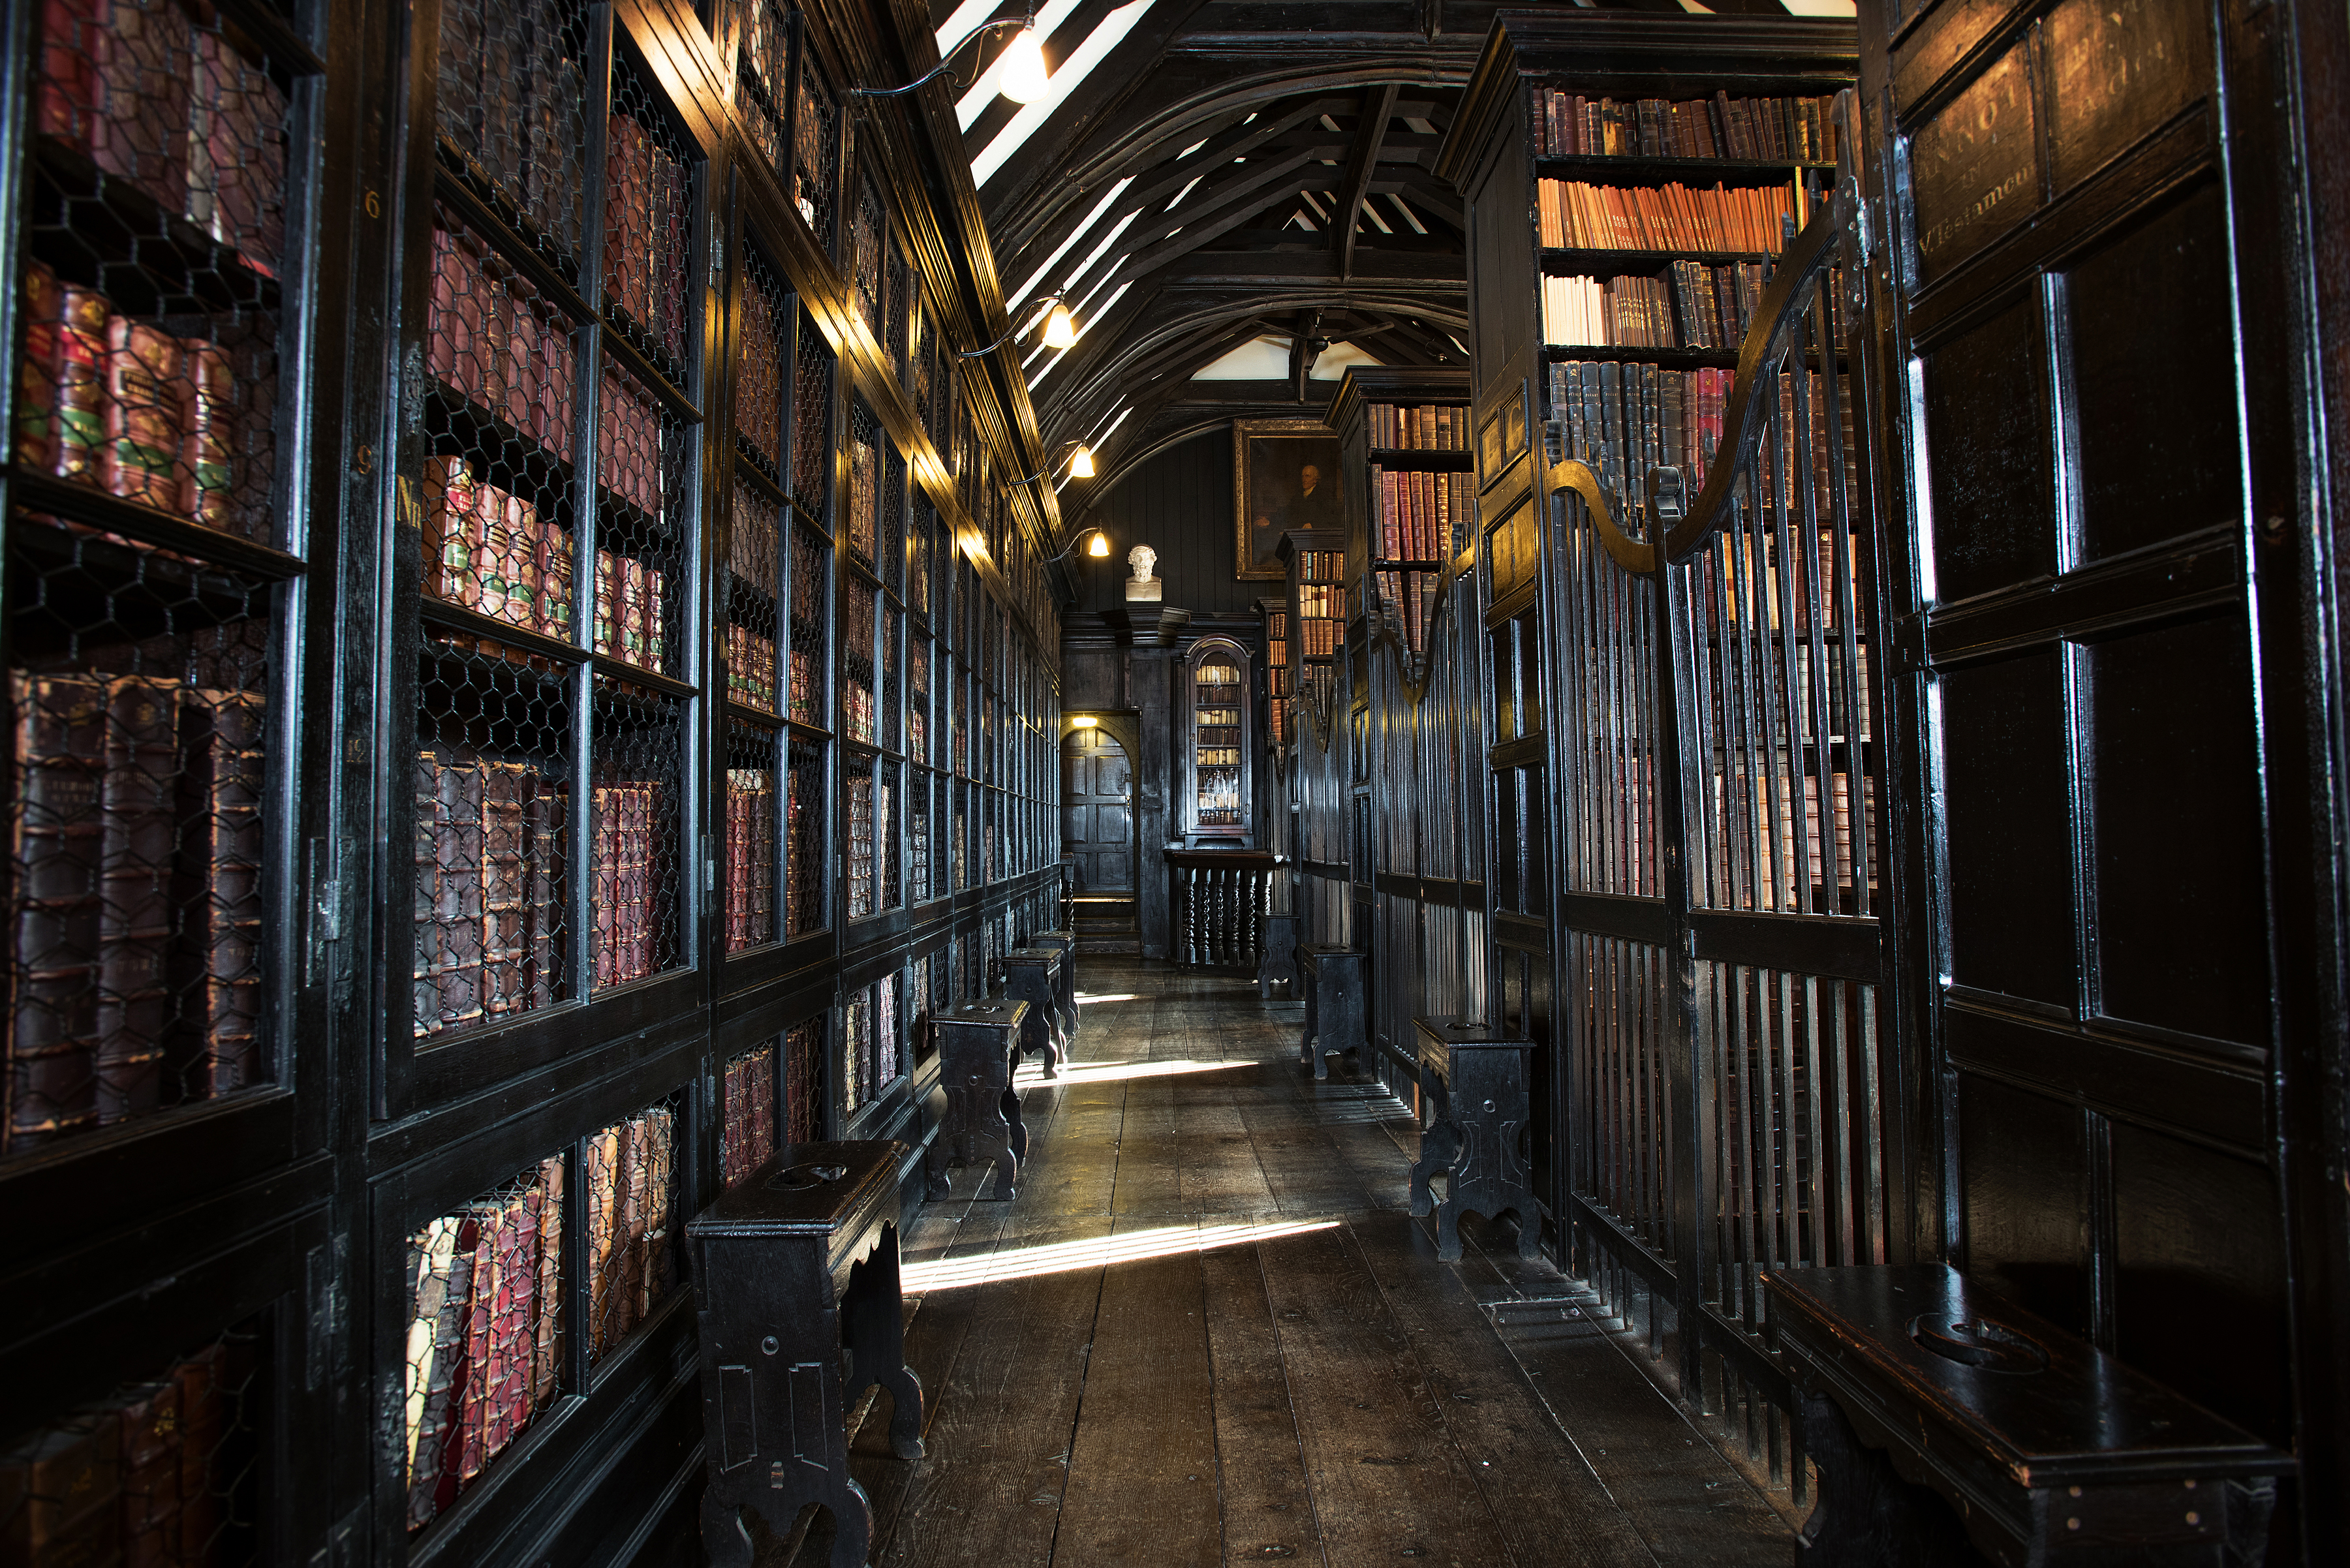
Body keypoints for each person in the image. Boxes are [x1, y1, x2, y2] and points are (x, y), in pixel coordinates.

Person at [1251, 455, 1340, 565]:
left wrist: (1313, 524)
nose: (1304, 479)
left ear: (1315, 479)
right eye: (1303, 476)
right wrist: (1270, 521)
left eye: (1307, 476)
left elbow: (1331, 516)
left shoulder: (1323, 496)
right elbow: (1287, 512)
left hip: (1315, 539)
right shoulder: (1299, 496)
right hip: (1299, 536)